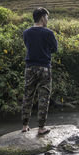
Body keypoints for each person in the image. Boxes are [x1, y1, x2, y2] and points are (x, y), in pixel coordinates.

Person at [21, 7, 57, 135]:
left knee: (28, 96)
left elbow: (28, 46)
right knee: (43, 97)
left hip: (29, 67)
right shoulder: (48, 33)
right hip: (44, 67)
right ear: (42, 17)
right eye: (47, 17)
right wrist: (45, 50)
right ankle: (41, 128)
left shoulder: (26, 32)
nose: (47, 19)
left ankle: (25, 126)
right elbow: (55, 49)